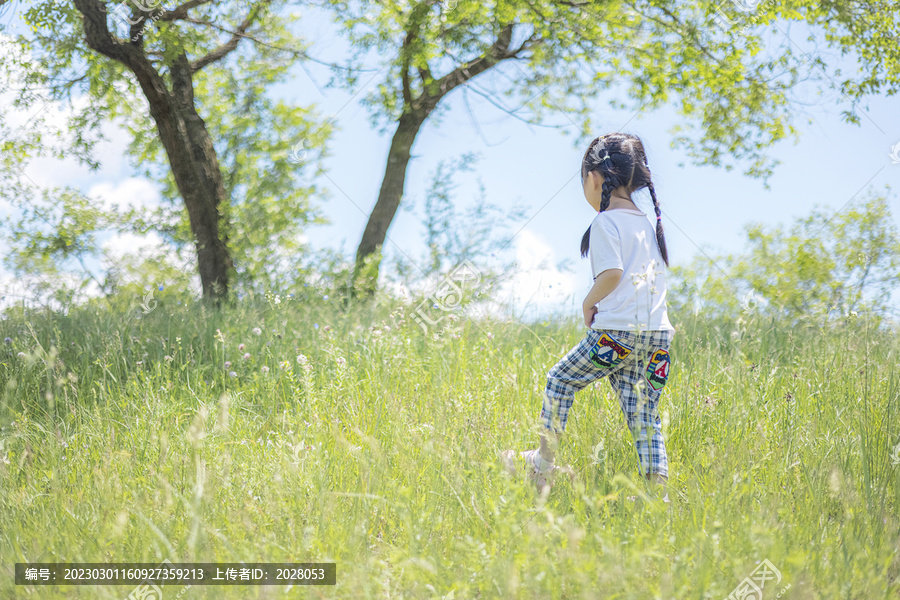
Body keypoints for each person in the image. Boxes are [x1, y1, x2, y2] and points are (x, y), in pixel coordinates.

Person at [502, 133, 676, 499]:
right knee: (644, 413)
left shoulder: (606, 223)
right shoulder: (647, 223)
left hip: (617, 335)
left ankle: (541, 469)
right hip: (658, 336)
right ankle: (657, 492)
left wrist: (588, 303)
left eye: (582, 179)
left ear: (595, 177)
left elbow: (611, 275)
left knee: (560, 381)